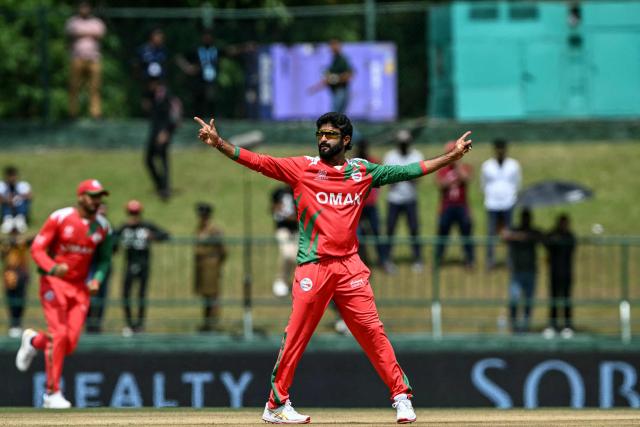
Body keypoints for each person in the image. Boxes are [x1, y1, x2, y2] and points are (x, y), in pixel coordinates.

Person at [194, 112, 472, 424]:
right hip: (314, 266)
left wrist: (452, 156)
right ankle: (275, 404)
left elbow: (409, 170)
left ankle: (401, 397)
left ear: (346, 140)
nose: (324, 139)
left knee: (372, 333)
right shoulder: (303, 168)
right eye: (320, 134)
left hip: (350, 267)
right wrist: (219, 144)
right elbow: (259, 161)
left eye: (330, 135)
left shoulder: (362, 171)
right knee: (297, 334)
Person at [15, 179, 113, 409]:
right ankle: (52, 393)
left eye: (99, 196)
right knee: (58, 335)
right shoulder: (60, 217)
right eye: (92, 195)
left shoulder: (103, 227)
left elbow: (105, 260)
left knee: (68, 344)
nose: (96, 200)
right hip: (53, 282)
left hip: (79, 289)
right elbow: (37, 249)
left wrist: (97, 280)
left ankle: (32, 340)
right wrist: (52, 267)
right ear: (80, 197)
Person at [115, 200, 169, 336]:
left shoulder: (146, 226)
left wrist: (153, 237)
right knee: (126, 294)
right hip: (129, 263)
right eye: (131, 213)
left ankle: (140, 325)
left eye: (136, 213)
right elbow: (113, 239)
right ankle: (129, 323)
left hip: (144, 263)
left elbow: (165, 235)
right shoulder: (124, 227)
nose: (133, 216)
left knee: (141, 295)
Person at [383, 129, 425, 273]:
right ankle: (387, 259)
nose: (403, 145)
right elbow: (388, 179)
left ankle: (418, 259)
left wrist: (400, 175)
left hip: (410, 199)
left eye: (405, 143)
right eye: (401, 143)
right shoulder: (390, 156)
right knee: (390, 230)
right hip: (394, 200)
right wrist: (408, 175)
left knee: (414, 229)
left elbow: (418, 178)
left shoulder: (416, 155)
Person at [481, 138, 521, 270]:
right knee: (491, 233)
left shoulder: (513, 165)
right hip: (492, 203)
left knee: (509, 233)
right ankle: (490, 260)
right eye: (498, 148)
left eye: (502, 148)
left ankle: (510, 260)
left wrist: (510, 195)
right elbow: (483, 184)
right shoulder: (487, 165)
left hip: (508, 203)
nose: (500, 151)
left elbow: (517, 183)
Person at [502, 208, 543, 333]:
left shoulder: (533, 232)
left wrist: (525, 237)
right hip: (517, 272)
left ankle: (525, 327)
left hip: (530, 271)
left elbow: (540, 236)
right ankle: (514, 326)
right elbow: (504, 235)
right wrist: (520, 236)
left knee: (528, 301)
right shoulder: (515, 230)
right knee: (514, 299)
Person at [434, 141, 474, 268]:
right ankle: (438, 259)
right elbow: (440, 184)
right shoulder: (442, 169)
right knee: (443, 233)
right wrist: (451, 181)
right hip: (447, 206)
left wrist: (457, 166)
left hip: (462, 206)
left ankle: (469, 259)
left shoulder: (464, 167)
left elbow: (466, 178)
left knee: (466, 233)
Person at [65, 1, 106, 119]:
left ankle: (96, 113)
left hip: (94, 58)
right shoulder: (73, 21)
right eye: (82, 7)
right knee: (74, 86)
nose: (84, 10)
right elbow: (71, 33)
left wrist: (81, 33)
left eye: (86, 7)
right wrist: (90, 33)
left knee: (95, 87)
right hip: (77, 58)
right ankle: (72, 113)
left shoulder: (96, 22)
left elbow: (100, 34)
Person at [144, 79, 182, 201]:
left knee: (163, 160)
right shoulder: (153, 96)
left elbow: (174, 117)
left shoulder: (168, 96)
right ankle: (160, 185)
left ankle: (165, 189)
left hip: (163, 133)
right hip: (154, 132)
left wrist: (166, 132)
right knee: (148, 159)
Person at [194, 202, 227, 332]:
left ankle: (212, 323)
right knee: (205, 296)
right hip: (201, 266)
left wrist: (216, 263)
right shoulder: (200, 228)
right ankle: (206, 323)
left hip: (211, 266)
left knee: (213, 296)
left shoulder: (214, 230)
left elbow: (223, 250)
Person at [542, 214, 577, 339]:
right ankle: (553, 325)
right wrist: (553, 235)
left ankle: (568, 326)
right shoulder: (552, 235)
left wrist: (558, 239)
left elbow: (570, 247)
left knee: (567, 299)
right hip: (554, 273)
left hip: (566, 273)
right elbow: (546, 242)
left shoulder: (570, 236)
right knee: (554, 300)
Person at [355, 139, 384, 267]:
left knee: (376, 231)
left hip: (370, 204)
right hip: (357, 205)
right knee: (357, 234)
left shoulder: (373, 162)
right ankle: (359, 260)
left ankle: (382, 260)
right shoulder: (352, 164)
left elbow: (380, 176)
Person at [85, 202, 113, 334]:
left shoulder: (106, 226)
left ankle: (97, 324)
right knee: (87, 295)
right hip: (87, 264)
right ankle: (88, 324)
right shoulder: (85, 224)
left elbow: (107, 257)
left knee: (101, 295)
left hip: (99, 263)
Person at [308, 39, 354, 113]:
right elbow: (327, 79)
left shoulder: (342, 60)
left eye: (334, 45)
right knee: (337, 116)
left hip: (340, 91)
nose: (331, 48)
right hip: (336, 92)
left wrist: (335, 78)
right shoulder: (334, 60)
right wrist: (315, 88)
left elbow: (349, 75)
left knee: (335, 115)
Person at [1, 227, 31, 338]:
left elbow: (34, 238)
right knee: (11, 300)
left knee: (21, 300)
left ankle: (17, 324)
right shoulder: (6, 245)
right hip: (10, 274)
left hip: (22, 274)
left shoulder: (23, 243)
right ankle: (13, 325)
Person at [271, 185, 298, 297]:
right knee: (287, 254)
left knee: (297, 256)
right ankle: (281, 279)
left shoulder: (299, 188)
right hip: (283, 228)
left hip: (297, 228)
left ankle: (292, 280)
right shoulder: (279, 192)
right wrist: (281, 212)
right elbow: (273, 209)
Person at [0, 166, 32, 235]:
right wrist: (7, 200)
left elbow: (30, 196)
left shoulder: (23, 185)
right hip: (7, 211)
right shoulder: (2, 185)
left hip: (20, 210)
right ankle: (8, 220)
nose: (12, 178)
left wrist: (19, 197)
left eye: (13, 176)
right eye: (10, 176)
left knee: (20, 201)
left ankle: (20, 219)